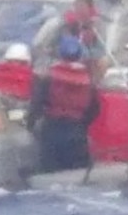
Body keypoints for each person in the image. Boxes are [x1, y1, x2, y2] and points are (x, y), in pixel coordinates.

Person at [27, 35, 100, 173]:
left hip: (52, 130)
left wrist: (30, 124)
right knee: (78, 175)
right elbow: (95, 109)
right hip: (77, 131)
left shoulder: (48, 77)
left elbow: (36, 103)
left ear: (60, 53)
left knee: (49, 174)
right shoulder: (89, 82)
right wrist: (82, 124)